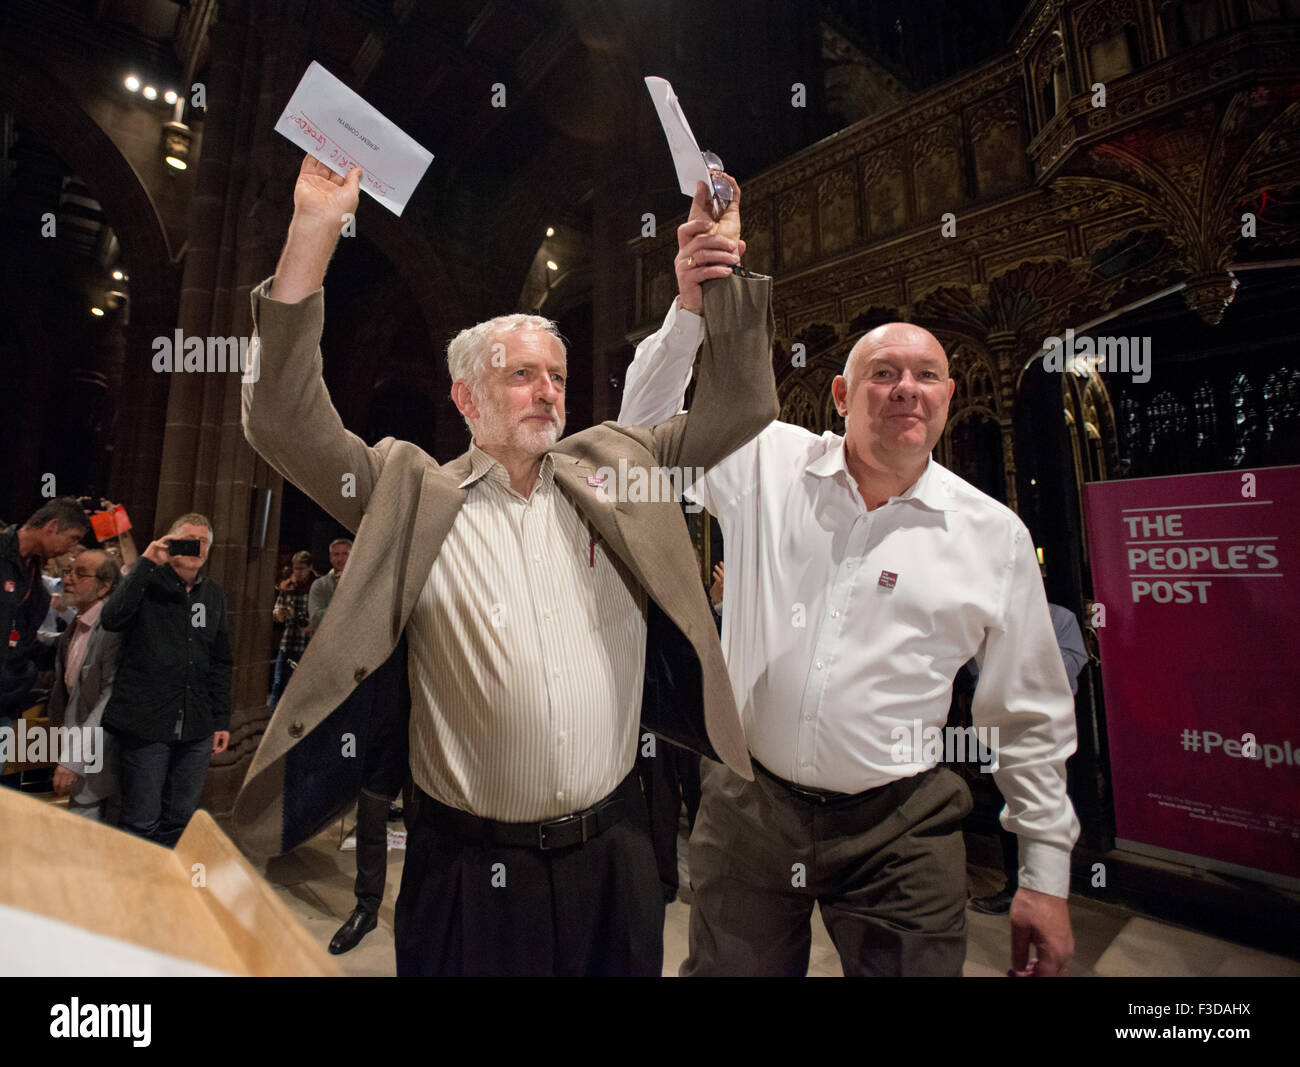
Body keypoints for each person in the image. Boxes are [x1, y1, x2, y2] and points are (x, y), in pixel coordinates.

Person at [233, 154, 775, 976]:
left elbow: (743, 405)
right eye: (521, 375)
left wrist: (719, 272)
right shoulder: (409, 493)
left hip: (615, 856)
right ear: (465, 398)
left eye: (555, 376)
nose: (547, 392)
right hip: (466, 874)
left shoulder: (618, 464)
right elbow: (283, 418)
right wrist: (315, 226)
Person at [619, 259, 1080, 977]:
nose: (906, 388)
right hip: (752, 802)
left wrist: (1045, 876)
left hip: (901, 824)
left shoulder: (991, 536)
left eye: (927, 375)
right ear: (840, 394)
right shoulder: (767, 460)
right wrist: (688, 312)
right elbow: (640, 442)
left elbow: (1029, 714)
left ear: (950, 397)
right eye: (883, 372)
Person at [100, 514, 232, 846]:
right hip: (148, 722)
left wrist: (221, 720)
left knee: (181, 819)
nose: (197, 547)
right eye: (188, 539)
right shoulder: (147, 583)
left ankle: (168, 891)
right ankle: (136, 892)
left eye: (203, 542)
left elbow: (220, 661)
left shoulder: (212, 595)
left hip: (197, 725)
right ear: (169, 543)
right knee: (141, 820)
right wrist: (146, 562)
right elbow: (112, 618)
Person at [969, 602, 1088, 915]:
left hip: (1049, 734)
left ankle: (1052, 886)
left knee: (1050, 807)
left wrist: (1009, 668)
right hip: (1000, 732)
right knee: (1006, 809)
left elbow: (1067, 667)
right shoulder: (992, 619)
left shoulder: (1062, 618)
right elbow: (975, 670)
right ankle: (1014, 887)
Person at [1, 499, 90, 740]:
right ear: (52, 526)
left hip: (7, 703)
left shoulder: (36, 584)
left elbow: (25, 642)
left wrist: (74, 644)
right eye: (72, 539)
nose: (72, 550)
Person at [48, 549, 123, 821]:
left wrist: (74, 759)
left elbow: (109, 697)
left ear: (104, 587)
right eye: (69, 571)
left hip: (100, 751)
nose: (68, 579)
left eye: (80, 574)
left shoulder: (111, 629)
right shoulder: (78, 624)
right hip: (78, 744)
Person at [270, 550, 315, 708]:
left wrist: (305, 620)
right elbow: (277, 611)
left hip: (307, 644)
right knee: (279, 682)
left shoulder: (315, 586)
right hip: (288, 642)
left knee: (302, 686)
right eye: (296, 568)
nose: (298, 572)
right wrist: (279, 613)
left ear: (310, 568)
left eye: (302, 568)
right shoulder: (287, 585)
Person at [306, 538, 351, 637]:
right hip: (328, 639)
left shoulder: (362, 582)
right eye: (336, 554)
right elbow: (316, 618)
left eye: (345, 554)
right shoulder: (319, 585)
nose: (340, 559)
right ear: (330, 558)